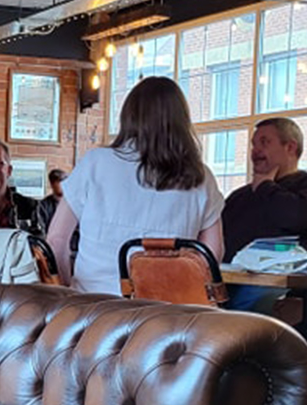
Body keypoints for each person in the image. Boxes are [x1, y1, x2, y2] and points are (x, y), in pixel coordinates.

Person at [46, 77, 224, 294]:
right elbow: (212, 254)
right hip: (168, 309)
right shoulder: (200, 177)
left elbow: (56, 240)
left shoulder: (96, 163)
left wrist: (67, 291)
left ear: (128, 116)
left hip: (94, 306)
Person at [222, 116, 307, 312]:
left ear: (290, 147)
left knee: (247, 301)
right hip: (234, 277)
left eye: (264, 142)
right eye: (253, 145)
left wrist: (266, 187)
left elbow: (297, 217)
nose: (255, 151)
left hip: (281, 282)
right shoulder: (240, 196)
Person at [36, 168, 67, 232]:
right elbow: (41, 230)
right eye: (60, 182)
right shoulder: (43, 206)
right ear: (52, 184)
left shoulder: (74, 204)